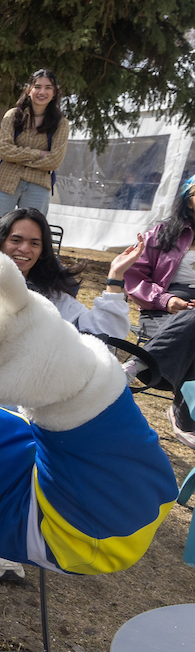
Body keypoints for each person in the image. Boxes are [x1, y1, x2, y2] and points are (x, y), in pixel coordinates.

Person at [0, 207, 140, 580]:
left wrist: (115, 278)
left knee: (32, 427)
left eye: (34, 243)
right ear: (0, 242)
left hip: (33, 393)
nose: (24, 249)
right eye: (16, 239)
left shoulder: (53, 297)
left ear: (43, 251)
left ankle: (1, 541)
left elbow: (101, 336)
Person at [125, 175, 195, 448]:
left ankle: (138, 363)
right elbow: (133, 277)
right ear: (188, 200)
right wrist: (165, 299)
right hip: (161, 311)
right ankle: (185, 418)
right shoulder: (163, 233)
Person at [0, 69, 69, 218]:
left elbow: (54, 161)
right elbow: (4, 151)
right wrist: (39, 154)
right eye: (37, 87)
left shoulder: (61, 123)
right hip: (5, 183)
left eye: (48, 87)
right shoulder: (13, 115)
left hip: (38, 186)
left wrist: (16, 158)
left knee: (31, 230)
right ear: (28, 89)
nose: (42, 92)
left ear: (55, 92)